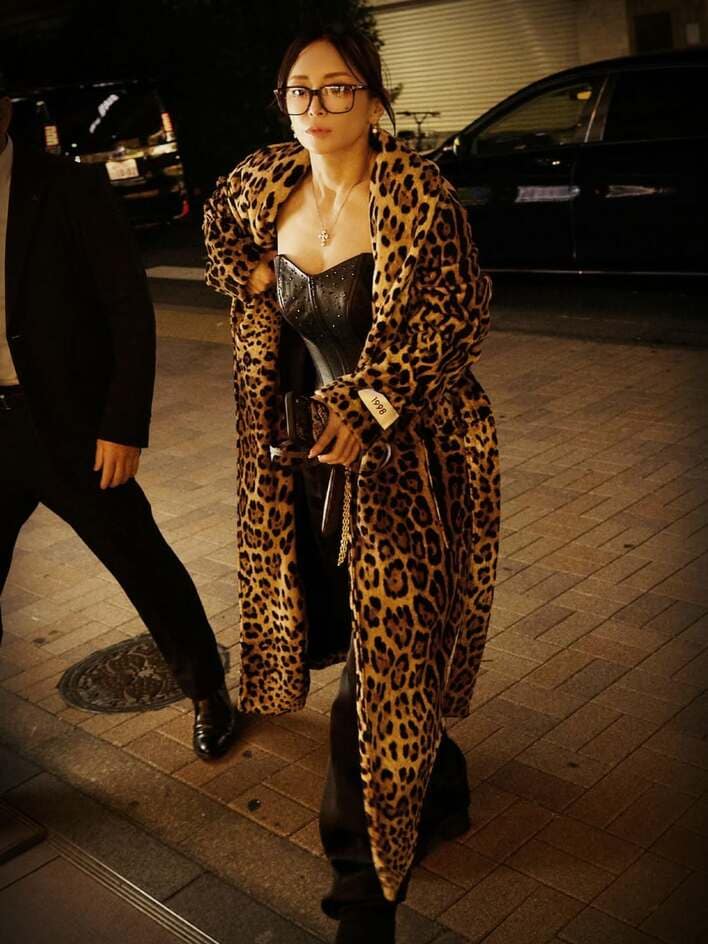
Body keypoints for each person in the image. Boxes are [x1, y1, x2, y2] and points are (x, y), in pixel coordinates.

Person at [203, 25, 500, 944]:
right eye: (301, 90)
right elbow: (218, 228)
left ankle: (361, 901)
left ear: (374, 100)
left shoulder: (419, 199)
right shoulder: (265, 183)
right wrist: (249, 271)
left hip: (413, 468)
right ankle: (442, 787)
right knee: (363, 646)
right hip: (304, 468)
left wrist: (369, 406)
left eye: (338, 89)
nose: (317, 107)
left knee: (375, 686)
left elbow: (456, 322)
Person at [0, 83, 235, 761]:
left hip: (67, 427)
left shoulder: (67, 187)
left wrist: (123, 425)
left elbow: (128, 308)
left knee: (140, 559)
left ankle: (207, 690)